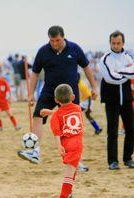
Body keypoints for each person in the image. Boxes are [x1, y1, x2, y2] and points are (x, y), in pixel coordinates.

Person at [17, 25, 98, 165]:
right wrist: (30, 94)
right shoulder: (43, 51)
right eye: (52, 40)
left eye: (57, 40)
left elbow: (86, 67)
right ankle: (35, 152)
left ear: (63, 37)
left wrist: (94, 87)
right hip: (50, 90)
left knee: (71, 125)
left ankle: (74, 159)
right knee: (37, 115)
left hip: (70, 92)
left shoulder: (75, 49)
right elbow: (35, 72)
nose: (54, 43)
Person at [40, 84, 83, 198]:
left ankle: (65, 196)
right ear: (73, 97)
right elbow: (66, 111)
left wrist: (59, 146)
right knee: (70, 171)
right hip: (77, 145)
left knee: (72, 168)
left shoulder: (56, 115)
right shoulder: (78, 108)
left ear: (56, 100)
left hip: (65, 144)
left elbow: (57, 132)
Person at [99, 30, 134, 170]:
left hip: (127, 98)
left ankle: (128, 158)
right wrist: (126, 72)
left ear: (123, 43)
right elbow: (111, 78)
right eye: (113, 43)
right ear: (110, 43)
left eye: (118, 43)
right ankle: (112, 161)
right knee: (112, 131)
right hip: (111, 100)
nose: (116, 46)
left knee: (131, 129)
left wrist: (119, 71)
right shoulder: (105, 59)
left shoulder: (128, 56)